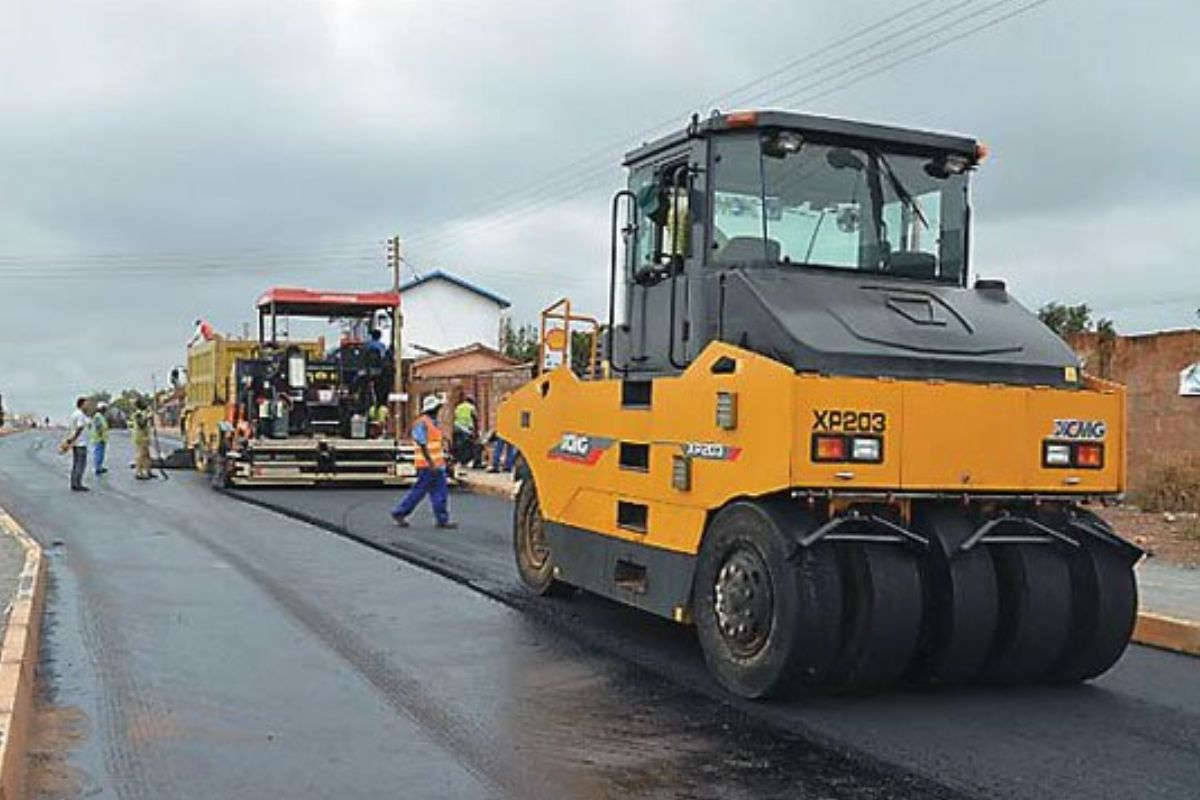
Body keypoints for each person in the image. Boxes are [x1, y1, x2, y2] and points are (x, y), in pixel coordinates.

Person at [391, 395, 457, 529]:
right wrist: (430, 462)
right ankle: (399, 512)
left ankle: (442, 519)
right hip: (427, 465)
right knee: (419, 491)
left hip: (437, 465)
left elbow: (436, 444)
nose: (439, 410)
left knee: (440, 492)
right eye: (437, 408)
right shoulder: (422, 423)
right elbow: (422, 443)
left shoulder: (433, 423)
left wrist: (445, 458)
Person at [63, 397, 91, 492]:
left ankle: (74, 483)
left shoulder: (76, 414)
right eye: (86, 404)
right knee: (80, 464)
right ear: (82, 404)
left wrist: (71, 440)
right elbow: (80, 428)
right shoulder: (80, 415)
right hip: (80, 443)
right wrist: (73, 438)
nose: (88, 406)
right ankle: (77, 484)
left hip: (76, 443)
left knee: (76, 463)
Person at [130, 398, 154, 480]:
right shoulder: (138, 414)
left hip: (145, 437)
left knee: (147, 455)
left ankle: (148, 471)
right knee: (141, 456)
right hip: (140, 437)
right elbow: (141, 424)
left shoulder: (143, 413)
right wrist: (147, 417)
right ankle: (138, 473)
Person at [453, 395, 478, 468]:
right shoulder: (471, 407)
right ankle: (465, 461)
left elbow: (455, 416)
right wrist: (475, 432)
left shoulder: (459, 406)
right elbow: (475, 418)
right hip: (466, 429)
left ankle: (459, 461)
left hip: (457, 428)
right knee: (467, 446)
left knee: (458, 446)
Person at [89, 402, 110, 476]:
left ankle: (99, 466)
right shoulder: (97, 416)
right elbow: (99, 427)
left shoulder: (101, 416)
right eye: (104, 408)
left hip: (101, 438)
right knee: (98, 453)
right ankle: (97, 468)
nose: (105, 410)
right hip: (98, 438)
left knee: (101, 454)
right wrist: (101, 436)